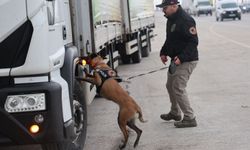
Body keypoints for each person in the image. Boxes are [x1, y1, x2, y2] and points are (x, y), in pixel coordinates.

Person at [156, 0, 199, 128]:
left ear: (174, 6)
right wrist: (163, 52)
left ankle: (190, 118)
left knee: (178, 87)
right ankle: (175, 112)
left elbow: (193, 42)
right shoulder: (171, 18)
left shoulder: (186, 20)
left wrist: (181, 57)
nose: (163, 10)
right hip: (175, 60)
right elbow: (170, 39)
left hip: (187, 60)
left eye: (165, 7)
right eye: (162, 7)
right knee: (170, 85)